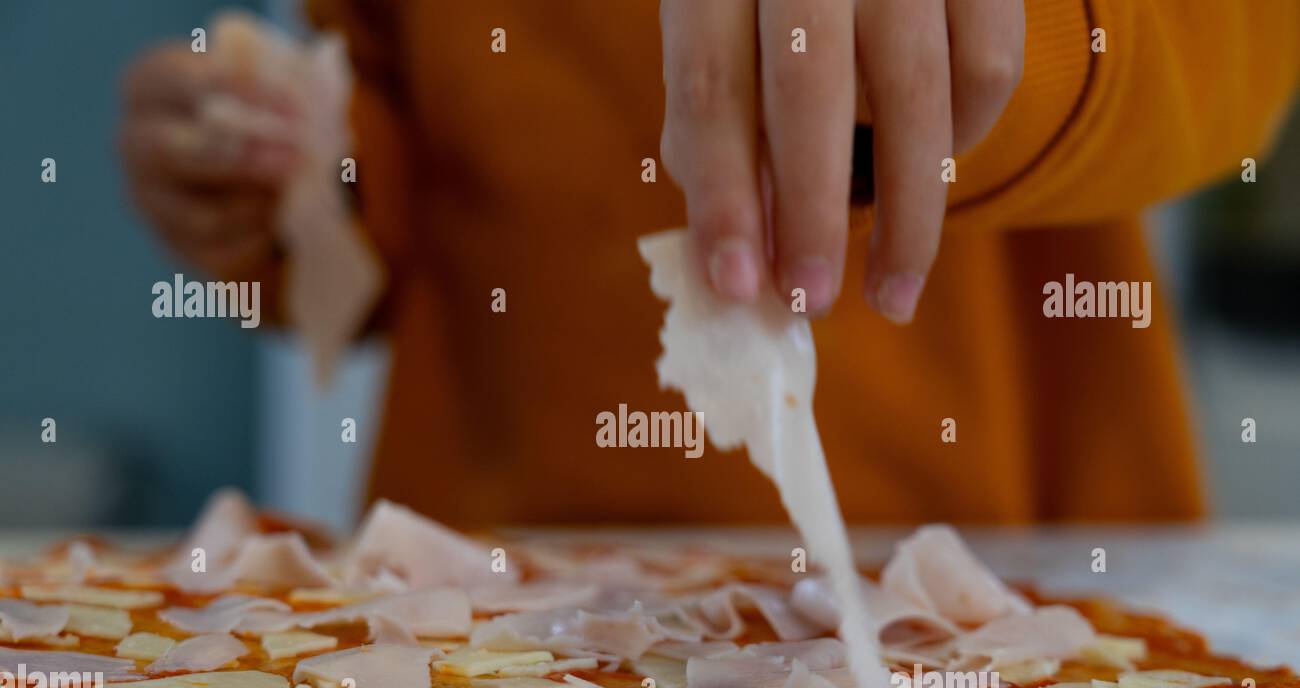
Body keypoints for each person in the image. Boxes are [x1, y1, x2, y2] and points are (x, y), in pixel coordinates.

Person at [120, 0, 1300, 527]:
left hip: (1001, 596)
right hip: (487, 603)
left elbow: (1239, 47)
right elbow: (397, 147)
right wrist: (287, 177)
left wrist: (995, 44)